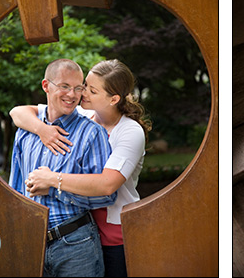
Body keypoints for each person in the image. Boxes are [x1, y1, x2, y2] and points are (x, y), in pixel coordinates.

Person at [10, 59, 151, 277]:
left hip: (113, 233)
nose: (80, 94)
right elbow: (18, 112)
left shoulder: (129, 132)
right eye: (84, 85)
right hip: (81, 225)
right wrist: (42, 130)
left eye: (89, 90)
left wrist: (51, 181)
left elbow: (107, 185)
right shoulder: (82, 113)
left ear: (113, 99)